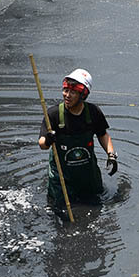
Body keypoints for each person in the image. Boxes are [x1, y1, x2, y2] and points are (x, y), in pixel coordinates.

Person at [38, 68, 117, 207]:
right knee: (60, 213)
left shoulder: (93, 112)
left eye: (73, 92)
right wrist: (49, 139)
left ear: (83, 95)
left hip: (88, 176)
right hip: (62, 179)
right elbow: (42, 144)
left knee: (95, 207)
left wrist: (111, 155)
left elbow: (102, 134)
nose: (67, 95)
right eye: (65, 90)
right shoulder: (54, 114)